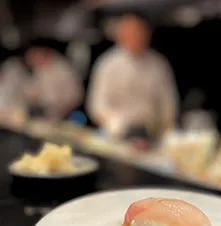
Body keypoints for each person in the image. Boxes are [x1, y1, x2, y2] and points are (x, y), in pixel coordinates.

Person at [86, 12, 179, 140]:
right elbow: (97, 105)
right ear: (121, 35)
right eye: (132, 33)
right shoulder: (107, 64)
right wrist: (116, 124)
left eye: (141, 32)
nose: (137, 37)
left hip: (151, 135)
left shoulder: (159, 64)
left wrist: (167, 131)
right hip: (116, 134)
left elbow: (168, 103)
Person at [25, 46, 83, 121]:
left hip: (66, 115)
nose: (34, 63)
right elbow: (33, 91)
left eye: (35, 58)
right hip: (42, 113)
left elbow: (75, 97)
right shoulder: (39, 69)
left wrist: (61, 111)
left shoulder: (64, 69)